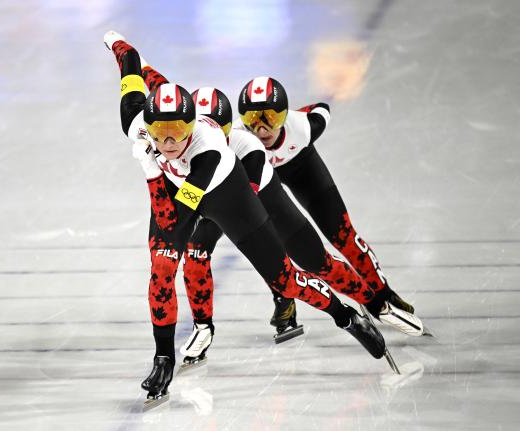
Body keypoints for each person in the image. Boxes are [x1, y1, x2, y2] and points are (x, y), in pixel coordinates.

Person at [103, 31, 387, 407]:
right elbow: (132, 69)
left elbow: (179, 217)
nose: (169, 142)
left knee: (284, 280)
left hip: (226, 194)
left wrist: (152, 171)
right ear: (148, 127)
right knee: (161, 268)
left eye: (179, 132)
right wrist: (119, 44)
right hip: (178, 189)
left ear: (193, 127)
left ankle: (344, 314)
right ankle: (163, 359)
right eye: (161, 133)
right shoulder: (136, 121)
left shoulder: (207, 151)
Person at [138, 59, 424, 368]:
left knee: (311, 262)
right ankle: (203, 328)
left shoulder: (247, 145)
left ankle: (373, 302)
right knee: (195, 257)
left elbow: (249, 212)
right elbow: (161, 92)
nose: (262, 128)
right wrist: (135, 61)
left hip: (252, 197)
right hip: (212, 197)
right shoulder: (183, 137)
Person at [235, 76, 425, 336]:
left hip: (301, 165)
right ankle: (283, 299)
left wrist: (295, 115)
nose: (262, 129)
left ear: (285, 115)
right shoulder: (237, 140)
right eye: (252, 121)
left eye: (271, 118)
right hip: (266, 178)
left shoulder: (303, 126)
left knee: (344, 235)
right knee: (274, 244)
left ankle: (384, 294)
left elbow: (322, 108)